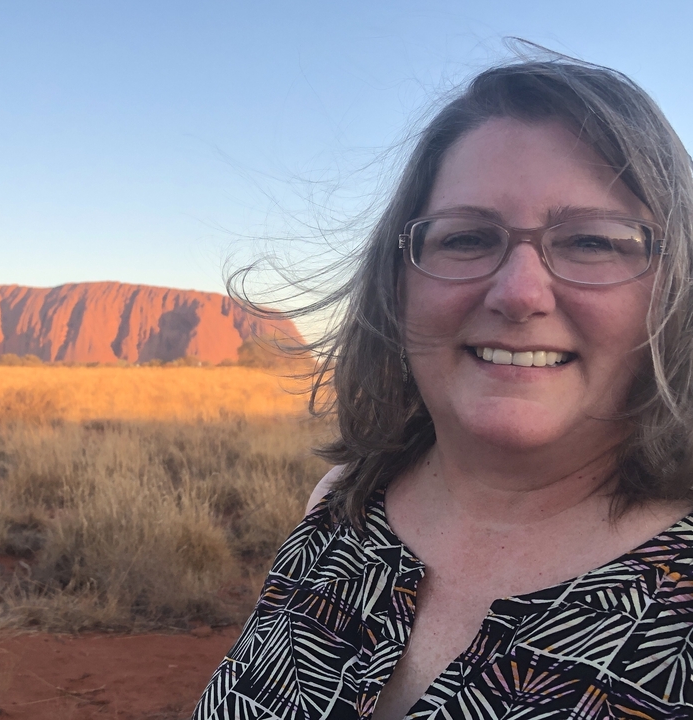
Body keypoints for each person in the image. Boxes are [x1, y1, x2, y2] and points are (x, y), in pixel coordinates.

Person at [193, 55, 693, 720]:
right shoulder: (343, 502)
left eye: (593, 242)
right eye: (465, 238)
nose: (519, 293)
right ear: (397, 281)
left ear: (676, 287)